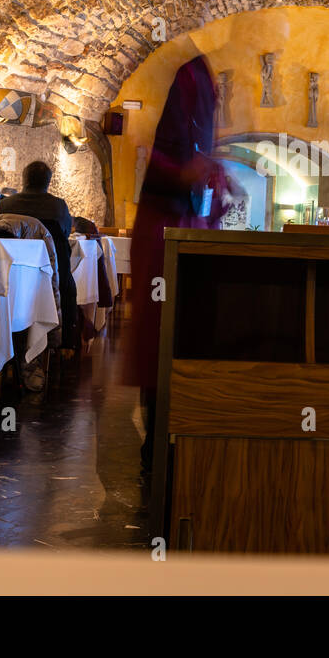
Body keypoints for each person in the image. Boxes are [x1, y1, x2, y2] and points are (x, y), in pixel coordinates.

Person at [129, 52, 241, 483]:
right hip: (162, 248)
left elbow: (198, 198)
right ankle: (157, 450)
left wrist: (215, 188)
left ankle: (171, 442)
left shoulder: (190, 147)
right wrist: (198, 174)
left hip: (180, 247)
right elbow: (169, 177)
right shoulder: (171, 150)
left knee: (176, 346)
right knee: (162, 346)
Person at [0, 162, 79, 372]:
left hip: (14, 274)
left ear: (24, 179)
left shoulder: (7, 205)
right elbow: (66, 231)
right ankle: (64, 344)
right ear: (48, 181)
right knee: (69, 288)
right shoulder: (57, 206)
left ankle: (3, 341)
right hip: (50, 273)